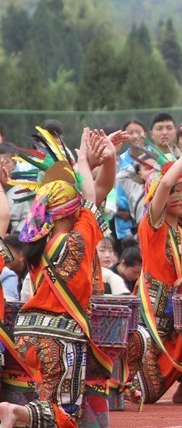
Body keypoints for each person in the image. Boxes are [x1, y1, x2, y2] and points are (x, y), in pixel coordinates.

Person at [0, 128, 107, 428]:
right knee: (65, 411)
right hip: (61, 337)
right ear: (70, 211)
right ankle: (16, 412)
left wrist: (84, 162)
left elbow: (85, 200)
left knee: (49, 397)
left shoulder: (38, 247)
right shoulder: (77, 240)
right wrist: (83, 159)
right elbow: (90, 199)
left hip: (30, 333)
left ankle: (21, 415)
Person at [127, 123, 182, 405]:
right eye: (175, 193)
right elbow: (164, 183)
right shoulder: (153, 225)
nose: (180, 197)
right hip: (155, 310)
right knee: (147, 393)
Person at [0, 144, 28, 236]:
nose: (1, 166)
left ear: (14, 163)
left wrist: (15, 236)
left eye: (5, 162)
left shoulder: (22, 188)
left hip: (14, 240)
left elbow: (27, 218)